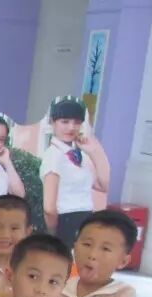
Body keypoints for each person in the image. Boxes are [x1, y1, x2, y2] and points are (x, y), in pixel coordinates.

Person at [40, 96, 110, 245]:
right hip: (66, 222)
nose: (71, 127)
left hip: (86, 219)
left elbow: (103, 185)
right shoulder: (53, 156)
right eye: (65, 122)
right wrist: (53, 235)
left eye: (77, 122)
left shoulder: (79, 155)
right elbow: (49, 208)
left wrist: (95, 151)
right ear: (53, 122)